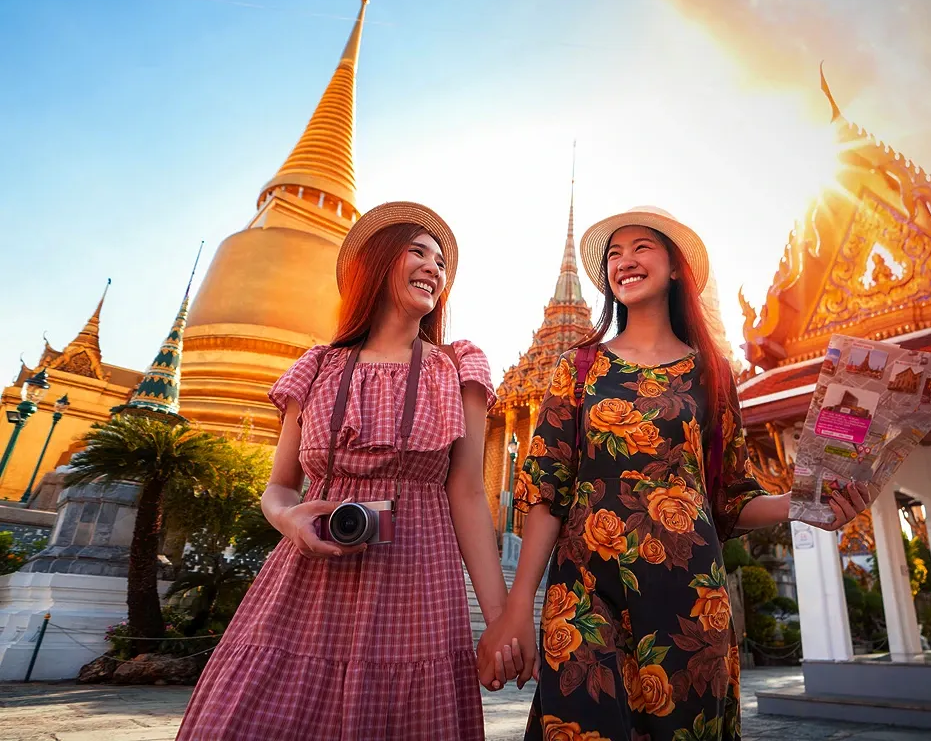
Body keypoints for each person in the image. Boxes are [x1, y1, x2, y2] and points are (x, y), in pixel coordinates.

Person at [481, 206, 876, 740]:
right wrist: (517, 607)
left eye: (641, 247)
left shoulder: (711, 372)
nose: (624, 261)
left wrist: (805, 503)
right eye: (614, 254)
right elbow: (547, 491)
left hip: (689, 599)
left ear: (674, 267)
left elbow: (731, 498)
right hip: (584, 592)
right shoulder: (578, 368)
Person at [177, 201, 522, 740]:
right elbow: (280, 487)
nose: (434, 268)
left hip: (416, 581)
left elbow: (469, 494)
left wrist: (501, 618)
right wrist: (290, 520)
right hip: (310, 577)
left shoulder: (457, 366)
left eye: (441, 262)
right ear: (377, 263)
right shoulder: (315, 367)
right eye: (417, 252)